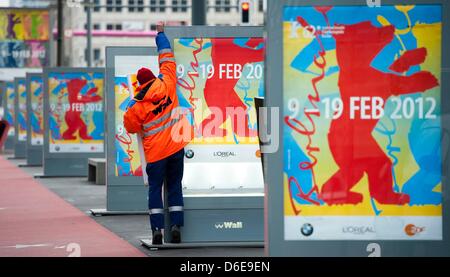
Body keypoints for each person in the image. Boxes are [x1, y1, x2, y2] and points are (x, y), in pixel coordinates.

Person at [124, 22, 193, 244]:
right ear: (154, 77)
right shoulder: (168, 83)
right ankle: (175, 226)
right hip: (175, 147)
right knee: (174, 186)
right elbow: (166, 58)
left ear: (139, 85)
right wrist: (160, 34)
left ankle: (156, 231)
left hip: (155, 154)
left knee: (155, 190)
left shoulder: (137, 105)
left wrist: (134, 103)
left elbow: (131, 127)